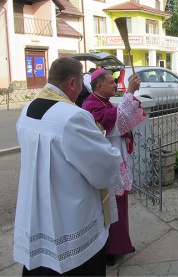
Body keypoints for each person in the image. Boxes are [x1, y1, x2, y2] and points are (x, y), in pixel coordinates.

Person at [14, 57, 124, 275]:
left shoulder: (26, 111)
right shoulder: (73, 116)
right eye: (80, 85)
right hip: (71, 222)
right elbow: (104, 166)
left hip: (36, 217)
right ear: (72, 83)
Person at [82, 69, 146, 266]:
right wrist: (130, 93)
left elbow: (120, 121)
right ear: (99, 85)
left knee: (120, 206)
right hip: (105, 165)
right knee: (109, 208)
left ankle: (121, 244)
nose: (115, 85)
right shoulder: (90, 105)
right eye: (111, 82)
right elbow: (117, 120)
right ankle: (109, 249)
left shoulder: (103, 102)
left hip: (116, 162)